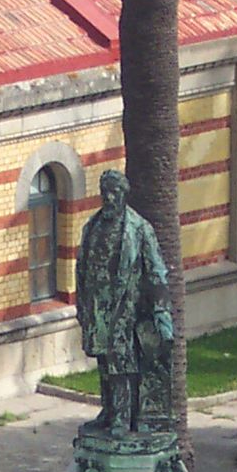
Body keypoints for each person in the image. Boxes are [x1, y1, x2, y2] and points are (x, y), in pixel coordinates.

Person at [75, 169, 173, 434]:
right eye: (104, 192)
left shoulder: (139, 229)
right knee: (104, 363)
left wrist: (162, 313)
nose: (108, 198)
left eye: (114, 192)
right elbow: (81, 268)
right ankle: (108, 411)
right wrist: (81, 306)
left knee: (123, 364)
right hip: (98, 308)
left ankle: (123, 416)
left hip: (125, 309)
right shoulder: (92, 226)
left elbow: (156, 271)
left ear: (124, 195)